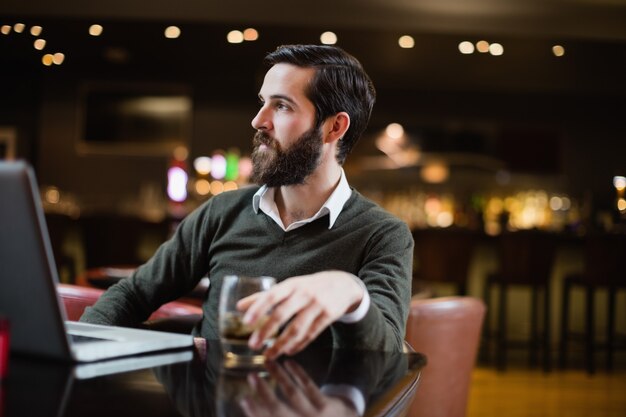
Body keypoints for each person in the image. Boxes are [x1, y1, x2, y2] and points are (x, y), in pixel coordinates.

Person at [80, 44, 414, 359]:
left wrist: (351, 295)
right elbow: (133, 295)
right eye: (263, 102)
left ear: (334, 127)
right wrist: (75, 349)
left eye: (281, 105)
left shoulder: (382, 235)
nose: (258, 120)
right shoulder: (222, 212)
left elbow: (385, 356)